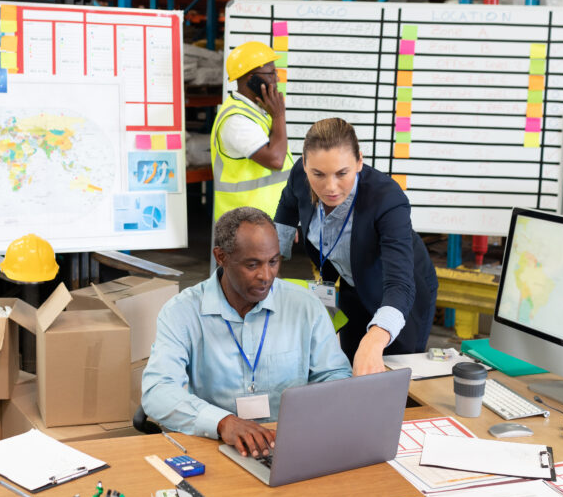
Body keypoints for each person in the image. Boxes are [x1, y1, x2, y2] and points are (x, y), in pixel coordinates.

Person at [141, 207, 351, 458]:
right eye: (252, 265)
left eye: (273, 262)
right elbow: (157, 391)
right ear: (221, 257)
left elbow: (335, 375)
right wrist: (221, 422)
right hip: (216, 445)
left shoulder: (305, 306)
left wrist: (307, 423)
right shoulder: (182, 312)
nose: (266, 276)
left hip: (289, 443)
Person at [275, 118, 438, 376]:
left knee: (395, 371)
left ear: (359, 161)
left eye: (342, 173)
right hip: (352, 282)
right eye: (318, 174)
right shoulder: (300, 174)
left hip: (399, 289)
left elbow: (400, 285)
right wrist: (272, 261)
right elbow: (287, 205)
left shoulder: (388, 200)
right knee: (351, 365)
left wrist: (377, 336)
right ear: (305, 164)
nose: (330, 187)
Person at [210, 41, 294, 222]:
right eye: (271, 73)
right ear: (251, 79)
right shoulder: (236, 121)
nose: (277, 79)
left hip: (268, 220)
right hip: (244, 227)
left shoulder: (259, 112)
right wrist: (279, 115)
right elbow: (276, 160)